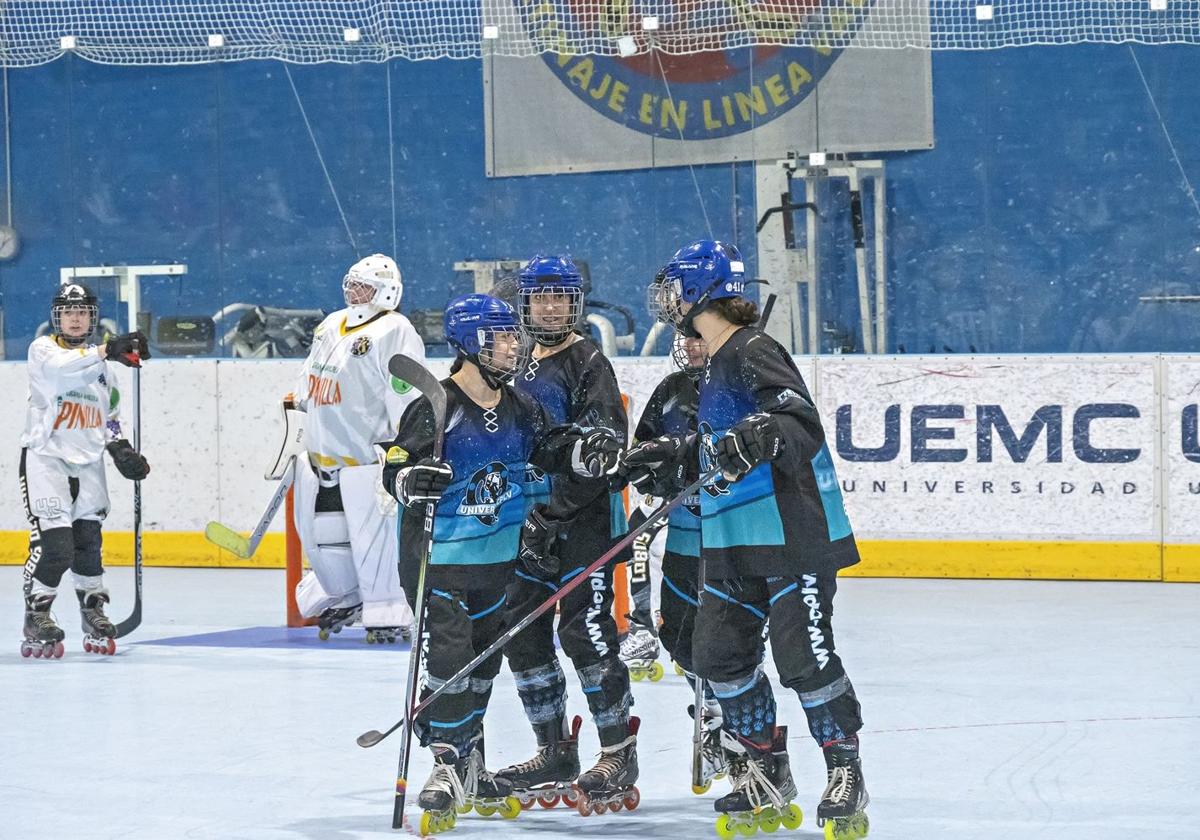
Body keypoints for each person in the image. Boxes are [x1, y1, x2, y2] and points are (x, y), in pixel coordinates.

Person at [622, 240, 870, 839]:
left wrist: (764, 428)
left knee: (803, 658)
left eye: (677, 288)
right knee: (719, 659)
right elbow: (717, 448)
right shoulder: (711, 366)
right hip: (732, 540)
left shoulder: (754, 348)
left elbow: (798, 422)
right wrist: (672, 453)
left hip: (792, 538)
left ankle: (845, 771)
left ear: (701, 292)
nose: (669, 300)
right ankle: (764, 768)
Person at [382, 292, 612, 832]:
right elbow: (395, 459)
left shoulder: (520, 408)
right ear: (469, 344)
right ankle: (445, 763)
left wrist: (587, 451)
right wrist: (407, 480)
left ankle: (466, 757)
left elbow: (551, 447)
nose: (514, 345)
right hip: (437, 564)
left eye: (513, 335)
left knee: (481, 667)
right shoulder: (436, 405)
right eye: (501, 336)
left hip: (496, 564)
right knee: (451, 658)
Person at [495, 255, 639, 814]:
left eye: (561, 296)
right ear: (526, 304)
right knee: (522, 630)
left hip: (580, 524)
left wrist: (554, 515)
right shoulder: (517, 363)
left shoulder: (589, 364)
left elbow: (602, 456)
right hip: (528, 525)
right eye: (541, 296)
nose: (551, 305)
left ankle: (617, 752)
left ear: (574, 304)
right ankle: (553, 748)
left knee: (587, 632)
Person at [290, 253, 423, 643]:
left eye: (363, 285)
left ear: (385, 292)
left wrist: (407, 441)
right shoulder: (331, 323)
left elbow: (405, 391)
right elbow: (309, 372)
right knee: (324, 534)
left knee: (374, 539)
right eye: (350, 283)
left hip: (366, 458)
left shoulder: (395, 330)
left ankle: (387, 606)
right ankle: (344, 593)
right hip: (320, 456)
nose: (353, 291)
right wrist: (299, 398)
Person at [19, 283, 150, 659]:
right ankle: (36, 614)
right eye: (67, 312)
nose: (75, 318)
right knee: (57, 547)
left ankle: (93, 610)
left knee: (89, 544)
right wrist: (107, 349)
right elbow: (63, 374)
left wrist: (121, 449)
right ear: (56, 317)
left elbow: (109, 417)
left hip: (89, 462)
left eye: (82, 312)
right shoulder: (42, 350)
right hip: (46, 458)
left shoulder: (104, 370)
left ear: (92, 318)